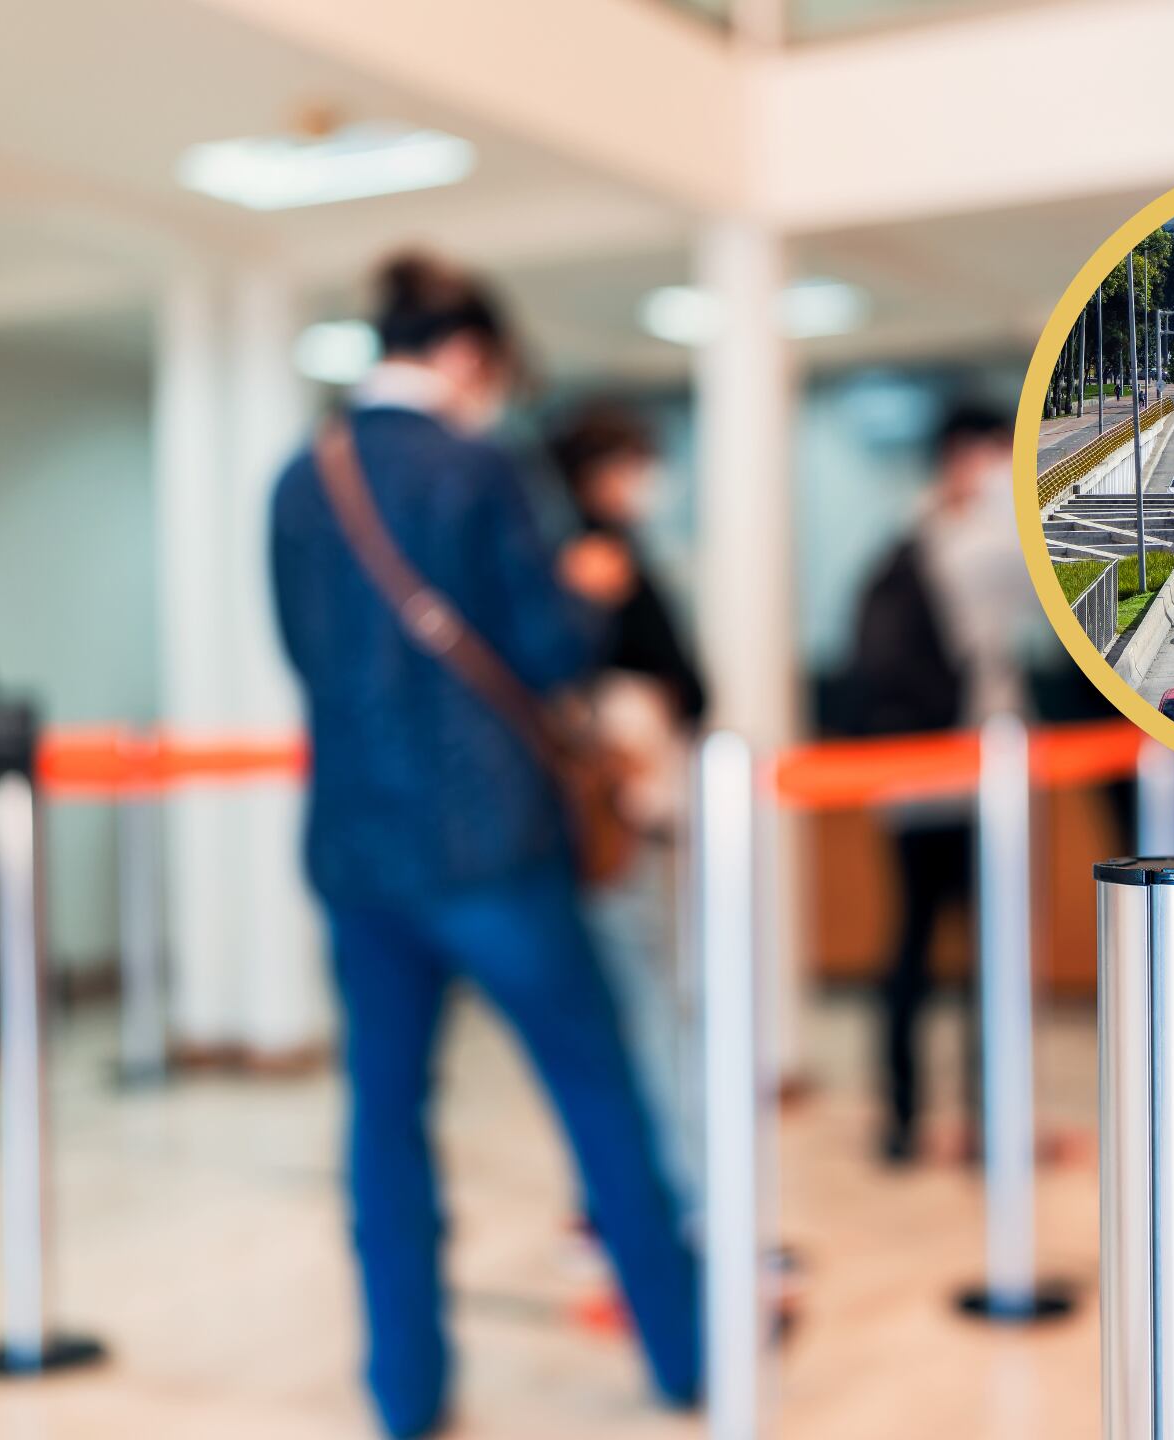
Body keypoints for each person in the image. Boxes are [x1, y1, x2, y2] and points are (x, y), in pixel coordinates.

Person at [270, 253, 699, 1437]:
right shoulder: (479, 468)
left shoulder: (299, 482)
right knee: (599, 1096)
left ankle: (404, 1393)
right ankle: (683, 1353)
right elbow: (549, 652)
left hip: (359, 853)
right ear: (466, 355)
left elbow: (310, 661)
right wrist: (594, 582)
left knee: (383, 1122)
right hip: (493, 848)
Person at [847, 400, 1033, 1165]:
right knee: (989, 953)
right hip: (973, 771)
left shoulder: (902, 538)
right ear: (969, 458)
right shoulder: (981, 547)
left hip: (908, 781)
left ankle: (900, 1120)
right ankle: (989, 1125)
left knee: (911, 946)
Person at [548, 402, 706, 1205]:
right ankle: (648, 1193)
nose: (645, 481)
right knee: (636, 1003)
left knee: (647, 997)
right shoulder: (586, 557)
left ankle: (642, 1188)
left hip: (644, 807)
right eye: (632, 464)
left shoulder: (621, 551)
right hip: (616, 815)